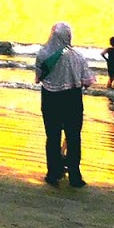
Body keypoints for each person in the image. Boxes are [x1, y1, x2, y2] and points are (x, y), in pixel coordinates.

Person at [35, 21, 95, 187]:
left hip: (50, 99)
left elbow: (38, 77)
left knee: (53, 137)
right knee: (74, 138)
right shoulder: (78, 56)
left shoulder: (43, 54)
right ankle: (75, 176)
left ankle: (53, 173)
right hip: (72, 99)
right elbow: (88, 81)